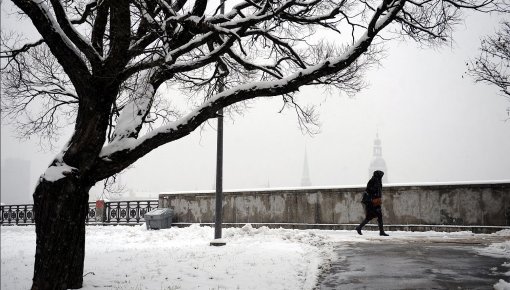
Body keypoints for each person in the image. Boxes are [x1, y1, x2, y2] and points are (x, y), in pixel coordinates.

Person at [356, 170, 389, 236]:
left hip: (375, 201)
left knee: (372, 216)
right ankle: (381, 232)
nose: (381, 177)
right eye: (381, 175)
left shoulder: (378, 181)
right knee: (375, 216)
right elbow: (370, 190)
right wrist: (375, 196)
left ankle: (359, 227)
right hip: (372, 202)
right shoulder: (373, 181)